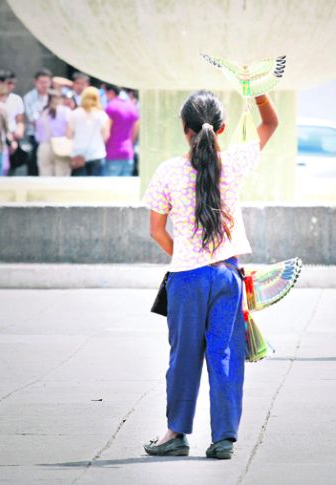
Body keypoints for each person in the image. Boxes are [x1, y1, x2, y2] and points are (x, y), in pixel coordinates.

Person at [141, 90, 278, 459]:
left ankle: (176, 434)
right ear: (222, 128)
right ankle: (224, 438)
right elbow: (270, 124)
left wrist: (185, 256)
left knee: (183, 355)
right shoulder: (234, 163)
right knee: (225, 354)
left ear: (184, 130)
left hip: (186, 278)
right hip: (226, 276)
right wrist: (258, 93)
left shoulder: (168, 170)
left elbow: (155, 230)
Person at [66, 86, 110, 176]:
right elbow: (106, 135)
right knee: (97, 187)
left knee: (78, 188)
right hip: (97, 154)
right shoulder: (102, 115)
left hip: (78, 154)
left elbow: (68, 135)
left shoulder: (74, 114)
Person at [103, 84, 139, 176]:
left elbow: (106, 133)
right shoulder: (132, 107)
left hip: (113, 152)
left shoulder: (111, 107)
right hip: (128, 152)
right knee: (126, 188)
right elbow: (135, 131)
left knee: (110, 188)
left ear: (111, 92)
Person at [23, 68, 53, 175]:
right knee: (34, 165)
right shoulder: (29, 97)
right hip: (35, 137)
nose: (44, 85)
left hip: (53, 137)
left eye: (47, 82)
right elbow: (33, 119)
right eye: (41, 82)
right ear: (35, 82)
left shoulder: (54, 97)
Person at [35, 90, 72, 176]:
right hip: (62, 146)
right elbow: (70, 131)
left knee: (45, 177)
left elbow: (38, 132)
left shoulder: (42, 113)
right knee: (62, 177)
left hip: (44, 146)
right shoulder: (66, 111)